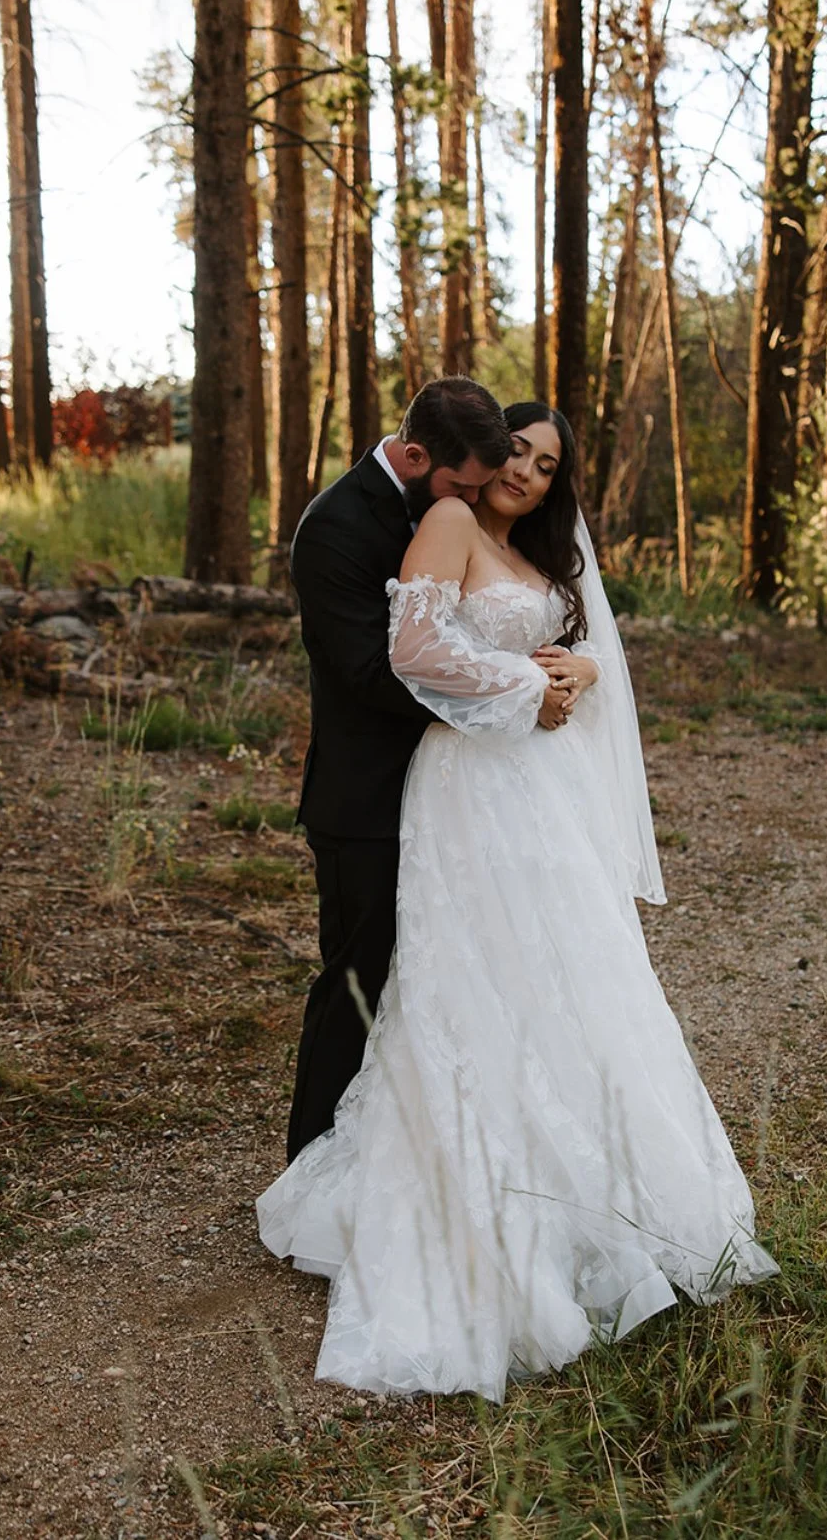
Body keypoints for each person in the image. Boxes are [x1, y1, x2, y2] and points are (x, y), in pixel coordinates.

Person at [259, 400, 777, 1402]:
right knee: (435, 977)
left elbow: (578, 651)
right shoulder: (440, 523)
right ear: (482, 454)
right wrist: (518, 689)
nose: (527, 475)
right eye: (517, 453)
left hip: (532, 793)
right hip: (460, 783)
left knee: (558, 975)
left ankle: (583, 1189)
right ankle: (395, 1173)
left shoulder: (530, 554)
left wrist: (577, 664)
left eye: (545, 467)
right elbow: (405, 657)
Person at [285, 377, 572, 1164]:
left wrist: (567, 674)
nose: (480, 496)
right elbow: (372, 673)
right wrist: (517, 689)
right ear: (417, 458)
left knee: (457, 980)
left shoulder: (454, 502)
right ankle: (315, 1164)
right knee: (357, 985)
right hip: (367, 796)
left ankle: (435, 1155)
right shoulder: (334, 529)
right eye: (463, 485)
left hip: (467, 793)